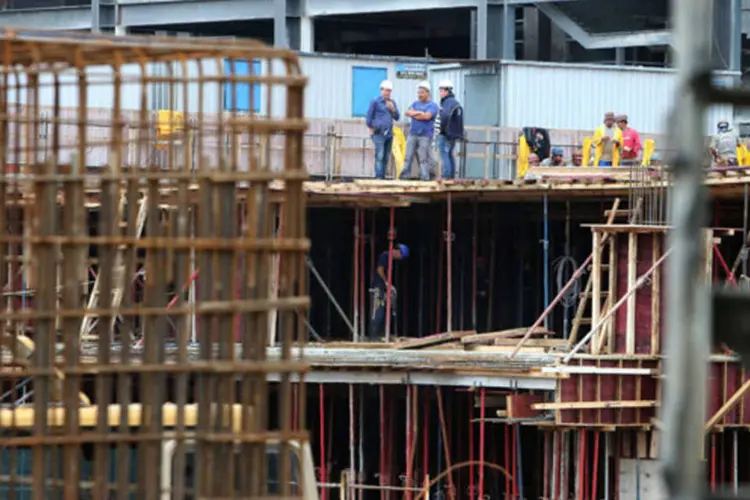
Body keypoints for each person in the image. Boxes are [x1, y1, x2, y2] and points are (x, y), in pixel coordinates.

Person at [369, 243, 409, 341]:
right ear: (398, 251)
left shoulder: (389, 259)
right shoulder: (385, 255)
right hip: (377, 288)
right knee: (377, 312)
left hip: (382, 288)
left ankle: (381, 334)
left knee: (383, 312)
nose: (399, 258)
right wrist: (387, 283)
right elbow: (380, 269)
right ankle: (373, 336)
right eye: (401, 256)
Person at [404, 81, 439, 180]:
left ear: (428, 93)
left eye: (422, 93)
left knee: (424, 158)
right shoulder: (415, 103)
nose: (419, 95)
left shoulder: (433, 105)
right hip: (412, 134)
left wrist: (414, 114)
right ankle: (404, 176)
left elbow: (427, 117)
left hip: (425, 135)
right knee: (408, 156)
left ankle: (424, 177)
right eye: (418, 93)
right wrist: (419, 113)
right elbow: (407, 112)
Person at [366, 80, 400, 179]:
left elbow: (397, 117)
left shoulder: (392, 102)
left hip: (389, 134)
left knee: (386, 156)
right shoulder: (375, 101)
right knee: (379, 156)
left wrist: (393, 109)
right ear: (381, 90)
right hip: (378, 133)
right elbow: (369, 117)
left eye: (389, 91)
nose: (387, 93)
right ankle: (378, 177)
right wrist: (371, 127)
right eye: (386, 91)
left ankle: (383, 176)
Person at [437, 80, 464, 179]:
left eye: (441, 90)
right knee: (450, 154)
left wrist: (442, 131)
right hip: (453, 134)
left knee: (444, 155)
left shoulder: (447, 102)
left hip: (445, 133)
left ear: (446, 91)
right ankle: (451, 176)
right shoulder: (455, 102)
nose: (440, 93)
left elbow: (444, 117)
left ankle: (446, 176)